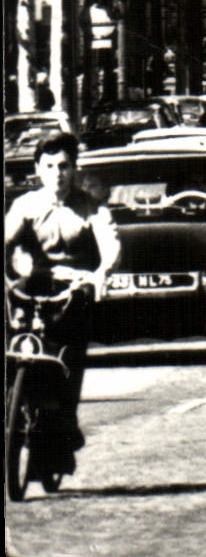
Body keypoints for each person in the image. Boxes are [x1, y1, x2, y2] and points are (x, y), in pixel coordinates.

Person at [3, 134, 121, 478]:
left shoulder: (90, 207)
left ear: (74, 169)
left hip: (73, 291)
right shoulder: (25, 206)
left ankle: (64, 425)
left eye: (64, 166)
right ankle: (15, 409)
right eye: (50, 166)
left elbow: (110, 243)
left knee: (68, 362)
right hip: (33, 286)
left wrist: (100, 274)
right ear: (38, 170)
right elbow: (6, 240)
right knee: (13, 347)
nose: (57, 173)